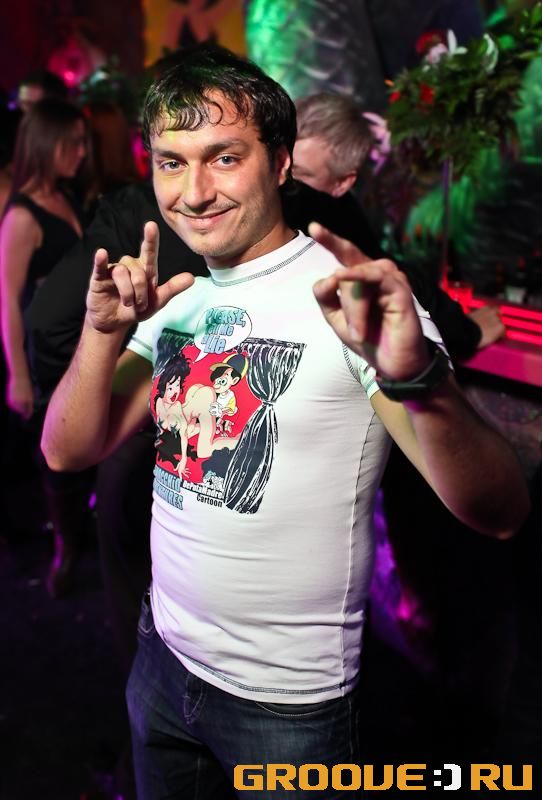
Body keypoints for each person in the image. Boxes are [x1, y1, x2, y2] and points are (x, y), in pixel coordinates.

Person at [41, 43, 529, 798]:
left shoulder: (347, 299)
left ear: (280, 163)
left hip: (288, 706)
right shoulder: (176, 295)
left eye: (223, 158)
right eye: (171, 162)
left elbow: (498, 510)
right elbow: (65, 450)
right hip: (161, 657)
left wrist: (418, 379)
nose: (194, 192)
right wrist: (102, 333)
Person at [293, 91, 506, 358]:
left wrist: (464, 331)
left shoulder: (334, 216)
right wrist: (467, 332)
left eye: (297, 175)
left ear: (342, 183)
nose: (282, 180)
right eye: (278, 162)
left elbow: (389, 272)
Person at [0, 97, 92, 594]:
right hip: (45, 354)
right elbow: (8, 300)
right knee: (55, 454)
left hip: (77, 343)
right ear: (45, 144)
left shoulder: (65, 195)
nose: (81, 152)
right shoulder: (22, 215)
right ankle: (65, 550)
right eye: (71, 143)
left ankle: (78, 533)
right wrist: (18, 374)